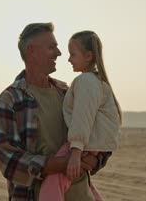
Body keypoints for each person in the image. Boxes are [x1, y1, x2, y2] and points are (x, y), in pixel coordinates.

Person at [0, 23, 111, 201]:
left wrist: (95, 160)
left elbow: (99, 130)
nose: (59, 53)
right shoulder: (9, 100)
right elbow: (9, 161)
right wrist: (59, 164)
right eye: (52, 47)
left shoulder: (68, 93)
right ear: (31, 51)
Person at [38, 31, 122, 201]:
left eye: (73, 54)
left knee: (51, 186)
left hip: (81, 147)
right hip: (88, 147)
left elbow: (82, 119)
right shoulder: (95, 81)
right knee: (77, 180)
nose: (68, 59)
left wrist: (75, 154)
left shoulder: (86, 82)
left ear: (88, 56)